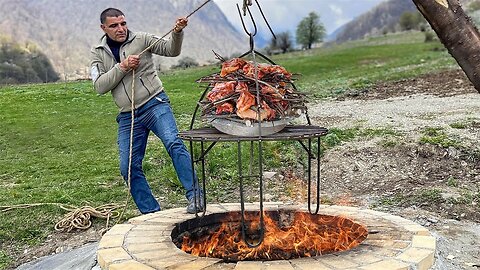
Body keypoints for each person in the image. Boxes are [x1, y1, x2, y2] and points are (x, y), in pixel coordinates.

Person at [90, 8, 203, 214]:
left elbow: (171, 50)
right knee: (128, 167)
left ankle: (195, 196)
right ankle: (151, 212)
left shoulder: (141, 39)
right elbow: (99, 86)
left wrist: (177, 32)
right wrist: (122, 67)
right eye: (114, 25)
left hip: (155, 103)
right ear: (103, 28)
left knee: (173, 142)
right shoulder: (98, 53)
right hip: (128, 115)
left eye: (123, 23)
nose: (121, 29)